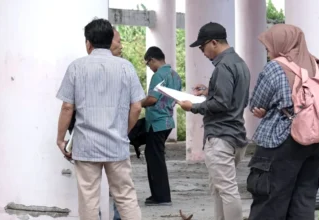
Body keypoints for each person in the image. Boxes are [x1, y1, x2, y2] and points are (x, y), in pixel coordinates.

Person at [56, 18, 144, 220]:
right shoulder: (126, 67)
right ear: (111, 39)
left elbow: (67, 106)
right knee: (126, 197)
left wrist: (61, 139)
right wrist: (123, 131)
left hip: (86, 146)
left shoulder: (76, 67)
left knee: (89, 199)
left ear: (88, 42)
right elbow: (137, 106)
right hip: (117, 145)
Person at [246, 24, 319, 220]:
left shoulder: (276, 67)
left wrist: (264, 109)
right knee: (303, 200)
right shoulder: (316, 64)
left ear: (281, 43)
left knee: (270, 201)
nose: (268, 51)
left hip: (282, 141)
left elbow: (256, 103)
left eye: (268, 46)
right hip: (316, 141)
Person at [177, 22, 250, 220]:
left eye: (203, 47)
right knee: (220, 188)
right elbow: (235, 97)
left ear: (214, 43)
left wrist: (193, 106)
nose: (202, 52)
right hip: (235, 134)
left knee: (226, 190)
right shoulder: (239, 63)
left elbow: (222, 104)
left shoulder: (224, 66)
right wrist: (209, 92)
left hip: (221, 136)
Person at [141, 46, 182, 206]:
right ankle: (159, 195)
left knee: (155, 159)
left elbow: (152, 99)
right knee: (155, 156)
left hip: (157, 123)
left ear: (152, 59)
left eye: (147, 64)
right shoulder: (175, 75)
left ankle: (161, 196)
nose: (149, 68)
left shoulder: (159, 75)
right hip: (167, 121)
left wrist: (137, 104)